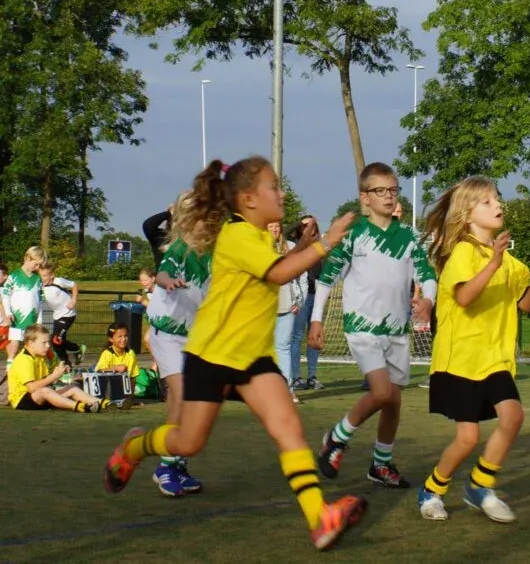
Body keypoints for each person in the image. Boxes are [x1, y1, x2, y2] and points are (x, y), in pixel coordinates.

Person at [102, 157, 367, 552]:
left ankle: (319, 517)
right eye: (273, 186)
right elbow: (279, 273)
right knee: (188, 442)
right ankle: (133, 449)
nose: (281, 193)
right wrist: (325, 241)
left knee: (288, 427)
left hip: (252, 358)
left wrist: (313, 243)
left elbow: (282, 266)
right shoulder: (237, 234)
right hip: (212, 354)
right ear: (248, 199)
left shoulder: (259, 238)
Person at [416, 176, 530, 523]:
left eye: (498, 199)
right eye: (488, 202)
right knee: (467, 438)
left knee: (513, 416)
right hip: (459, 360)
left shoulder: (513, 264)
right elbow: (464, 297)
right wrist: (491, 263)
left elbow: (526, 304)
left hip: (496, 361)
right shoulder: (462, 252)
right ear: (468, 213)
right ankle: (432, 489)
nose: (498, 205)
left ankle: (479, 486)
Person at [311, 163, 438, 489]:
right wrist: (316, 319)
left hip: (397, 331)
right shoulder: (354, 235)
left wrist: (428, 300)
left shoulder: (409, 236)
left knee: (393, 400)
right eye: (380, 190)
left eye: (393, 189)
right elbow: (327, 278)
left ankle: (381, 464)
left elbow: (427, 274)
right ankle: (336, 437)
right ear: (364, 197)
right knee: (381, 391)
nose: (388, 196)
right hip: (362, 328)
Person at [146, 191, 212, 497]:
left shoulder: (213, 254)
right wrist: (167, 281)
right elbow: (162, 273)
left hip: (193, 337)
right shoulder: (179, 249)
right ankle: (165, 466)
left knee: (183, 402)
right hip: (167, 335)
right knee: (185, 396)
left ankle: (175, 465)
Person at [8, 324, 107, 412]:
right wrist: (54, 376)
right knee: (46, 391)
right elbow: (32, 388)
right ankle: (79, 406)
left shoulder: (40, 357)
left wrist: (63, 373)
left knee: (72, 388)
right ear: (30, 343)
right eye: (44, 343)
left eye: (48, 342)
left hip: (40, 395)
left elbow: (46, 380)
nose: (48, 346)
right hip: (23, 400)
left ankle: (101, 402)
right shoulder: (24, 359)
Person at [270, 220, 305, 403]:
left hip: (287, 304)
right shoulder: (258, 247)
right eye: (271, 226)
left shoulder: (290, 247)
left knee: (283, 348)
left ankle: (288, 390)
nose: (275, 229)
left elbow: (301, 277)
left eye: (277, 226)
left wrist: (299, 300)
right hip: (265, 306)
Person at [290, 214, 325, 391]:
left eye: (313, 226)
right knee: (296, 337)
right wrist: (300, 222)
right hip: (300, 298)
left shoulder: (320, 248)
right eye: (306, 226)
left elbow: (324, 272)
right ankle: (295, 377)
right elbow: (285, 232)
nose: (310, 229)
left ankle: (312, 376)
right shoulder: (294, 247)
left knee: (314, 337)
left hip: (316, 296)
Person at [2, 246, 46, 365]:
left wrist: (40, 319)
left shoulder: (38, 279)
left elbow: (40, 300)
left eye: (39, 265)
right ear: (27, 258)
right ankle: (10, 371)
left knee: (33, 349)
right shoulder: (13, 276)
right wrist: (8, 313)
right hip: (16, 319)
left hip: (32, 320)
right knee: (13, 348)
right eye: (36, 264)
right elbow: (5, 296)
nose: (37, 268)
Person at [40, 263, 86, 368]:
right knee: (58, 343)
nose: (43, 278)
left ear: (52, 275)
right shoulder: (41, 286)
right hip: (57, 316)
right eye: (41, 275)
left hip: (68, 314)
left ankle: (70, 358)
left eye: (45, 275)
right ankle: (72, 357)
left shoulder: (58, 281)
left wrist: (74, 300)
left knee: (56, 341)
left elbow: (74, 285)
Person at [96, 321, 141, 395]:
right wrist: (115, 368)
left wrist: (131, 397)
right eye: (120, 336)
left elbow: (133, 378)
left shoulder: (131, 353)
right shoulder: (107, 354)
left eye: (125, 336)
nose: (123, 339)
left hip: (125, 392)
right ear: (111, 339)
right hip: (108, 391)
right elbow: (98, 372)